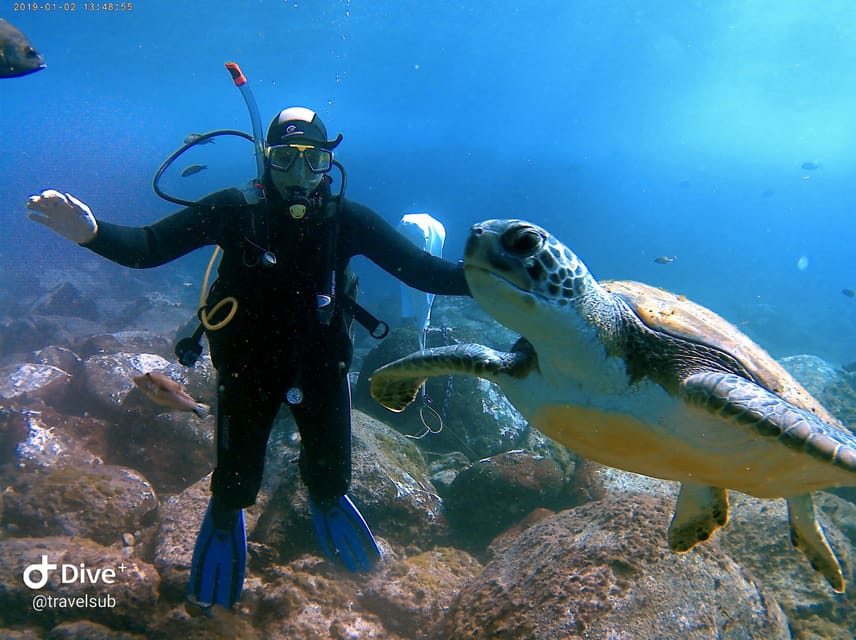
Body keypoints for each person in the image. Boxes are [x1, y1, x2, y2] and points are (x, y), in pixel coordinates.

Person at [26, 106, 471, 608]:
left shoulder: (345, 219)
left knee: (330, 476)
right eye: (285, 159)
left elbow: (423, 271)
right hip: (247, 365)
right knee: (235, 483)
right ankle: (226, 515)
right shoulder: (235, 210)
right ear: (266, 160)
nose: (299, 175)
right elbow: (148, 247)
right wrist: (91, 233)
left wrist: (503, 277)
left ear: (329, 164)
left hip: (321, 363)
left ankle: (327, 500)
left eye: (312, 161)